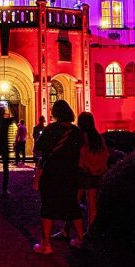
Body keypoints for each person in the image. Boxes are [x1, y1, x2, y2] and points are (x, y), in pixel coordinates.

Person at [32, 100, 85, 253]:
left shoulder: (51, 129)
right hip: (71, 173)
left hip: (52, 172)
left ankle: (46, 244)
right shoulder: (76, 132)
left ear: (55, 113)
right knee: (73, 206)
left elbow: (39, 149)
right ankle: (81, 240)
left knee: (48, 205)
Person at [76, 112, 110, 233]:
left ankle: (68, 229)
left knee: (74, 203)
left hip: (84, 173)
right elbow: (105, 154)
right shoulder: (97, 137)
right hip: (96, 174)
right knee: (92, 204)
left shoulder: (81, 137)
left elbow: (81, 155)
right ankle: (91, 231)